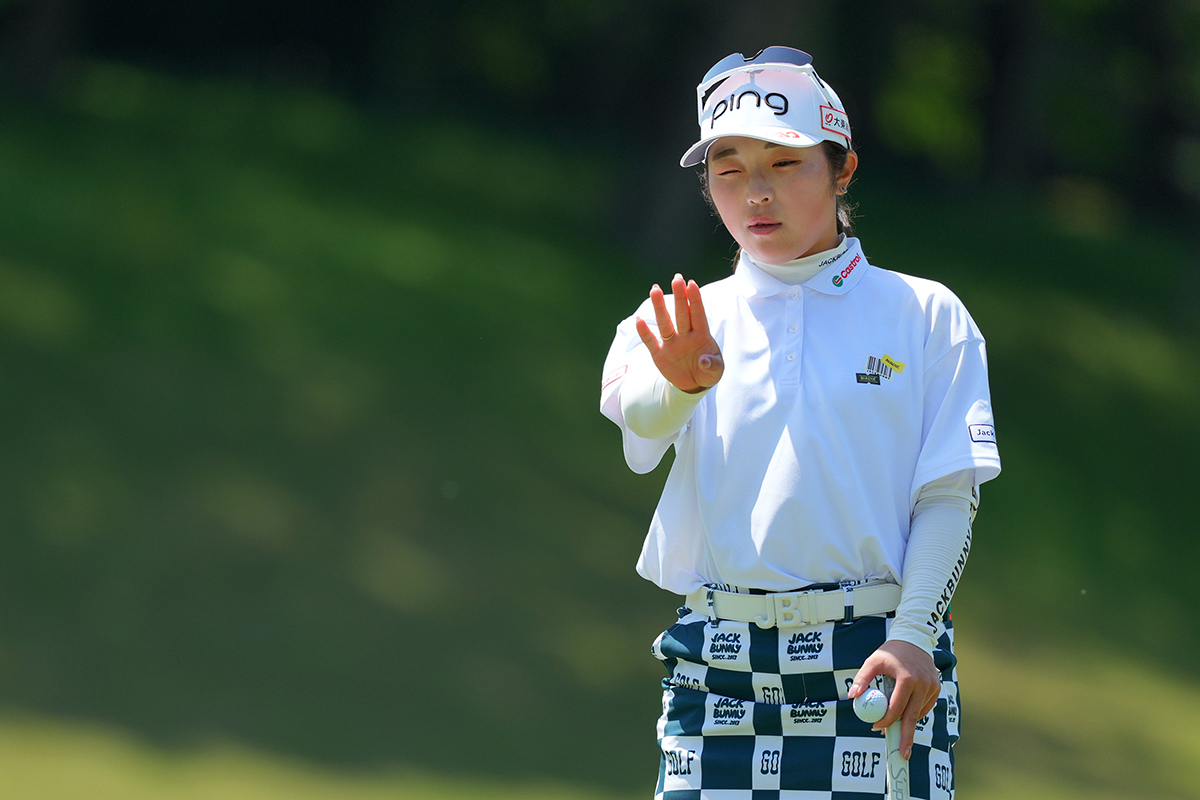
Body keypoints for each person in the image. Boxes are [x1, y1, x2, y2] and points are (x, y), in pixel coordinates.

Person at [599, 47, 1001, 799]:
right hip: (717, 665)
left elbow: (947, 494)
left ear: (842, 168)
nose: (756, 193)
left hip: (879, 656)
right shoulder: (686, 319)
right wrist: (683, 384)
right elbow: (641, 440)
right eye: (729, 168)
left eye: (784, 165)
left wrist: (916, 635)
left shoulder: (925, 313)